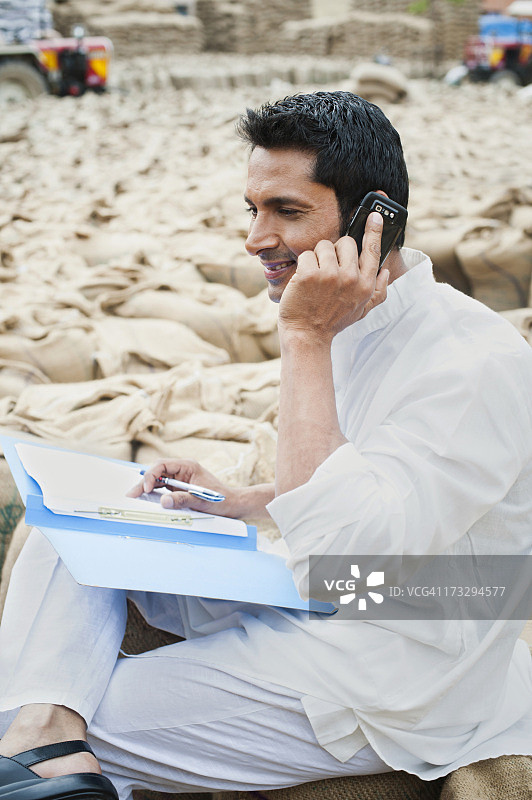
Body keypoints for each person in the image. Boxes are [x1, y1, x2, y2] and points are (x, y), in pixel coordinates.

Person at [0, 91, 531, 799]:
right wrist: (249, 500)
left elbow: (344, 549)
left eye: (286, 211)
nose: (255, 238)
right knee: (64, 530)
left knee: (80, 722)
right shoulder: (356, 320)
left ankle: (50, 745)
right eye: (253, 210)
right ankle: (44, 733)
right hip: (339, 592)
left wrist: (304, 336)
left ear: (373, 220)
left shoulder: (468, 362)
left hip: (398, 664)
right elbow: (385, 485)